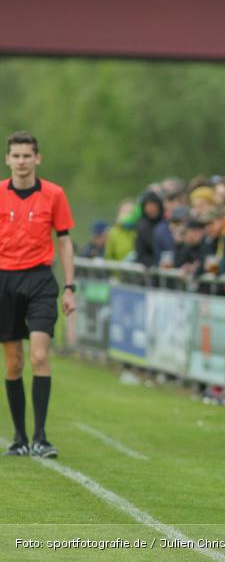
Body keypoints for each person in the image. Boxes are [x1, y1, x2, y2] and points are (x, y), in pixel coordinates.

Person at [1, 131, 77, 458]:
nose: (21, 161)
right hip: (5, 280)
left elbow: (64, 240)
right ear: (7, 160)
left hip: (40, 280)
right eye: (15, 156)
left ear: (37, 159)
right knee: (14, 361)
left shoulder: (54, 195)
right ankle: (19, 437)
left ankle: (41, 437)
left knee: (39, 356)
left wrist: (70, 286)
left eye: (26, 156)